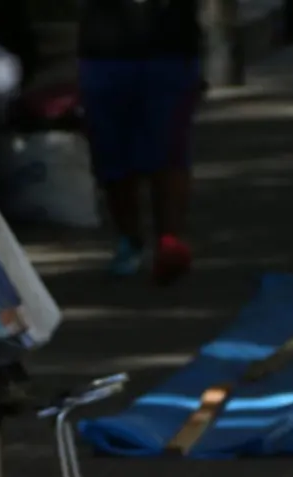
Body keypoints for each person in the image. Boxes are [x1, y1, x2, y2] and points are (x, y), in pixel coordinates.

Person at [76, 0, 204, 282]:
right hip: (104, 50)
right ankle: (129, 240)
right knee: (111, 154)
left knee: (168, 149)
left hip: (170, 48)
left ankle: (169, 241)